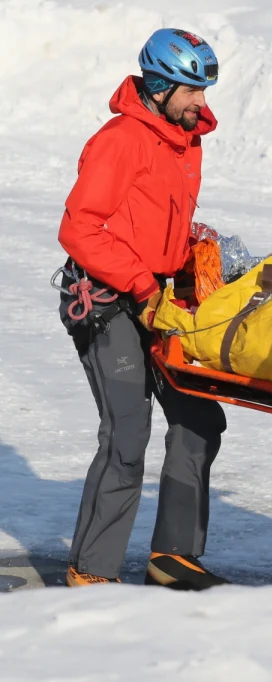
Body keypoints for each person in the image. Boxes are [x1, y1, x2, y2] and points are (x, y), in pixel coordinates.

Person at [56, 29, 228, 589]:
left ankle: (173, 556)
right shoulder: (122, 139)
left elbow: (155, 217)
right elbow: (80, 227)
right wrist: (138, 281)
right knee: (128, 433)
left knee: (199, 416)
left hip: (158, 298)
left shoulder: (186, 139)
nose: (200, 102)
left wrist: (188, 253)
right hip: (108, 298)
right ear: (157, 87)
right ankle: (92, 571)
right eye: (190, 90)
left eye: (204, 89)